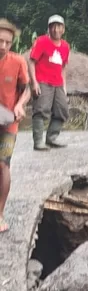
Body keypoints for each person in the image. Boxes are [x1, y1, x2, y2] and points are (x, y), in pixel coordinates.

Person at [0, 20, 31, 232]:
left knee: (3, 166)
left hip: (8, 123)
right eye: (0, 41)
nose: (3, 46)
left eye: (7, 42)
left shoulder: (18, 61)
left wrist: (20, 105)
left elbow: (26, 89)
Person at [28, 15, 70, 151]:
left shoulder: (65, 46)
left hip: (58, 83)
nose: (56, 29)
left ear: (63, 29)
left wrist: (64, 87)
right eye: (53, 26)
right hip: (43, 82)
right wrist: (34, 83)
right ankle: (38, 142)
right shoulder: (42, 41)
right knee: (40, 110)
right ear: (49, 28)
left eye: (59, 26)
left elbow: (63, 67)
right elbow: (31, 62)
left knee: (62, 110)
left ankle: (51, 138)